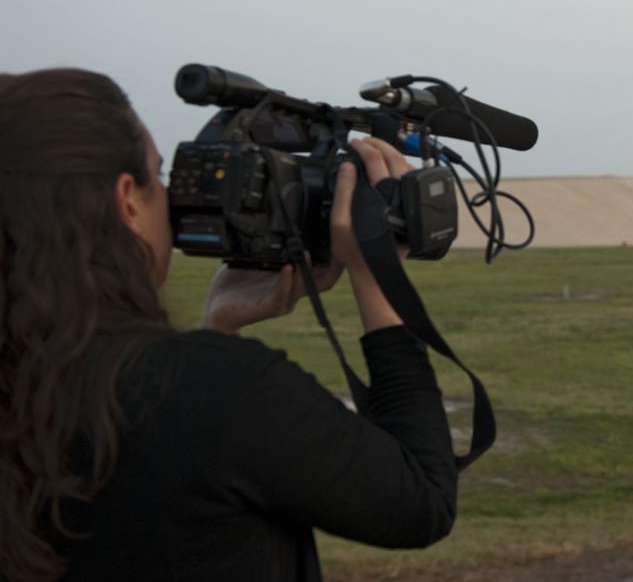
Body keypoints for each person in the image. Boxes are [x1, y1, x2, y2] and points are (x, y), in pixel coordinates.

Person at [0, 68, 457, 582]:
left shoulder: (30, 377)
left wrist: (216, 328)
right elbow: (421, 501)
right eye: (161, 178)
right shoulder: (216, 388)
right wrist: (376, 277)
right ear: (127, 200)